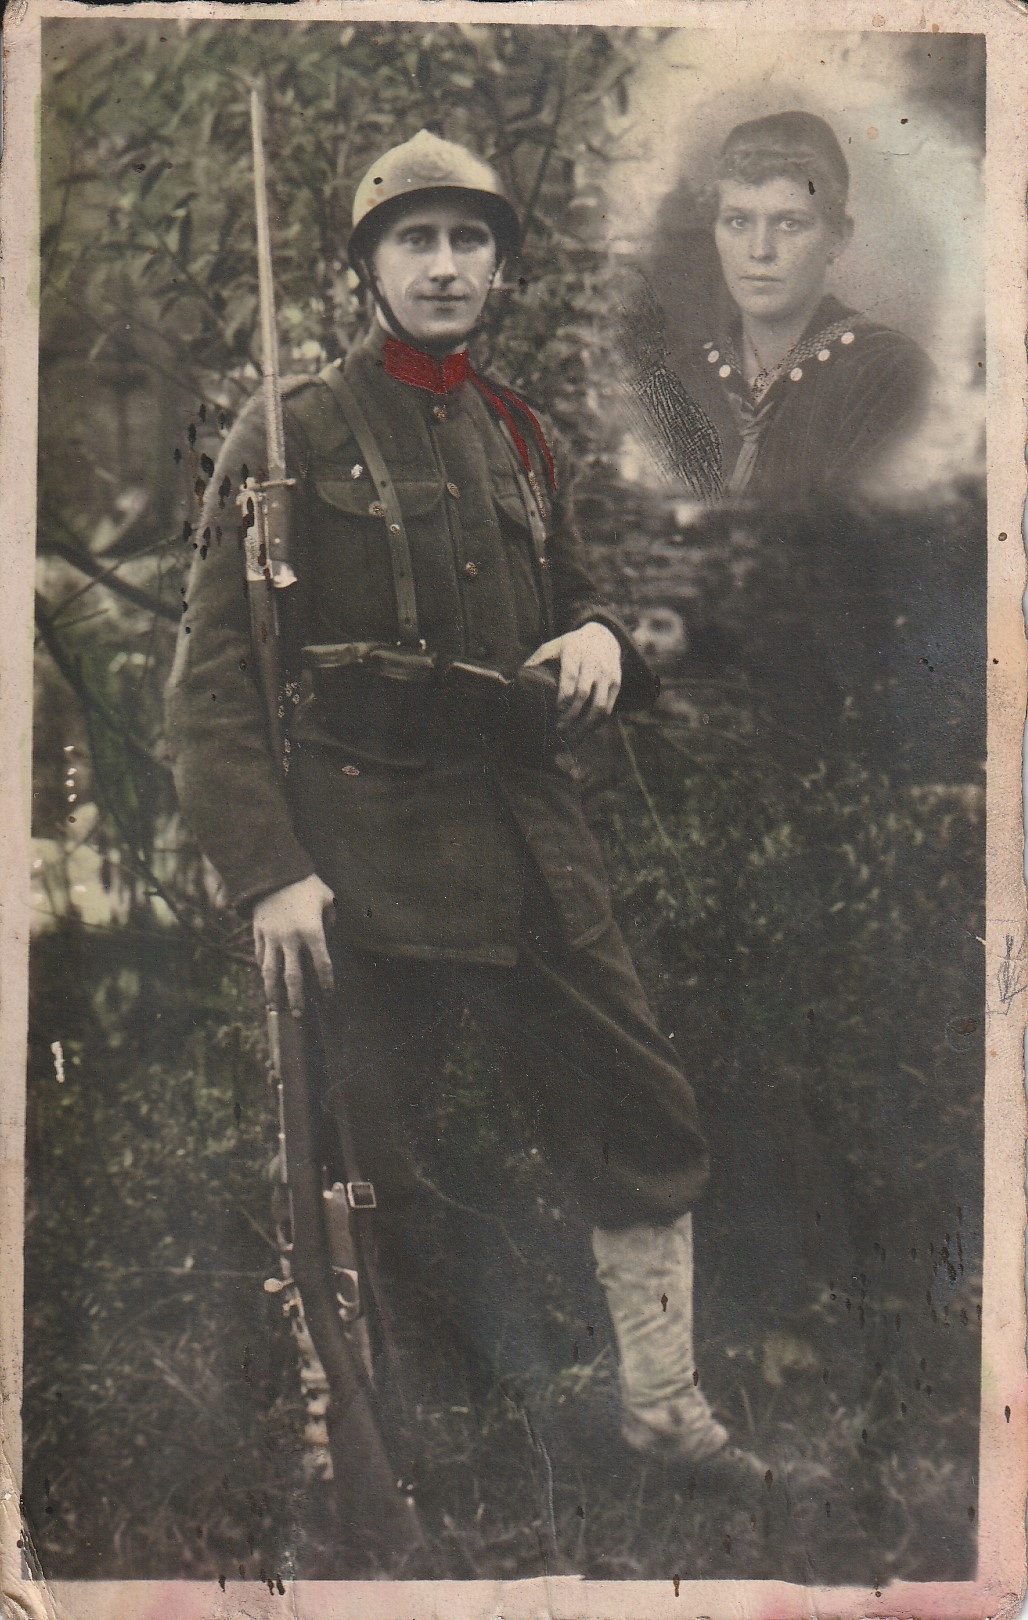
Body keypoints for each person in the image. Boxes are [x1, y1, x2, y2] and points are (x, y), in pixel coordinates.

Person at [165, 129, 760, 1499]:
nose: (443, 266)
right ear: (368, 266)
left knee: (643, 1108)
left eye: (468, 240)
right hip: (365, 860)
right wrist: (267, 871)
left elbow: (574, 590)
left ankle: (662, 1413)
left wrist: (600, 633)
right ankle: (370, 1446)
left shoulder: (519, 432)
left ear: (499, 266)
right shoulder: (289, 434)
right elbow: (209, 680)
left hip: (530, 842)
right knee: (369, 1162)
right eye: (415, 240)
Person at [673, 110, 932, 502]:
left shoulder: (889, 374)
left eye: (789, 223)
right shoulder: (679, 377)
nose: (760, 251)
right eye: (738, 222)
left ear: (838, 237)